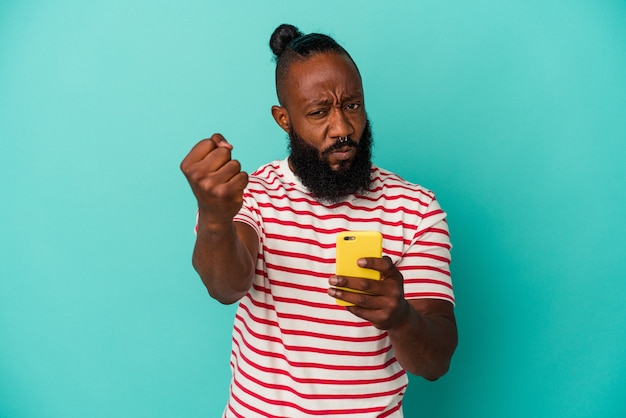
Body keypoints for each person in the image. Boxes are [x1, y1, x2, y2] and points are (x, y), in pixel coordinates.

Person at [180, 23, 457, 417]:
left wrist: (401, 318)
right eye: (318, 112)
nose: (342, 128)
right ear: (284, 119)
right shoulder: (253, 194)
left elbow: (435, 363)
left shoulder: (415, 208)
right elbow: (227, 286)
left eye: (352, 105)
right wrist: (213, 219)